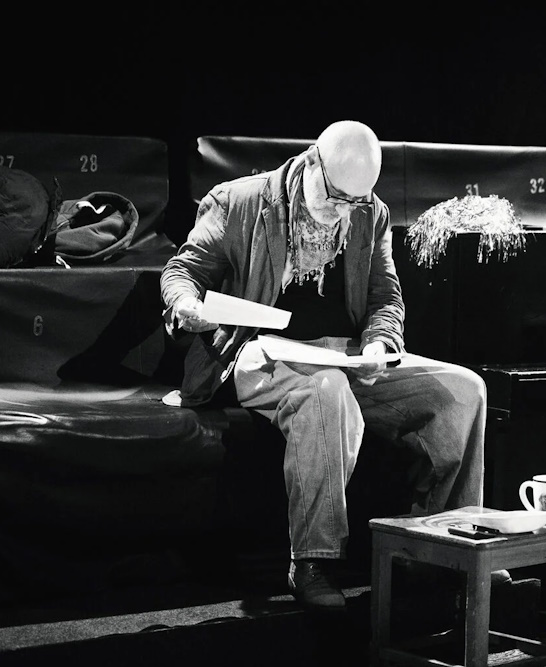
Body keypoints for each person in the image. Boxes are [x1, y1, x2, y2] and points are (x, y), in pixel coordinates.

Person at [160, 120, 488, 611]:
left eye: (355, 202)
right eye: (336, 198)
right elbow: (182, 270)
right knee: (327, 389)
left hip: (340, 353)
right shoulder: (240, 201)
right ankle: (314, 561)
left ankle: (446, 546)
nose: (343, 212)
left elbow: (385, 298)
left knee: (464, 390)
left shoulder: (369, 213)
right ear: (312, 162)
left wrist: (379, 344)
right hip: (257, 351)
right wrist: (187, 304)